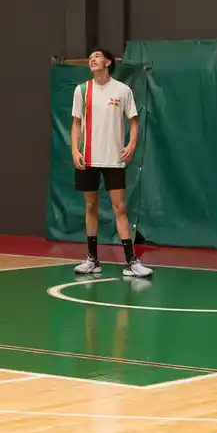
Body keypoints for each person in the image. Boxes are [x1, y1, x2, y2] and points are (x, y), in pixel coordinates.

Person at [71, 47, 151, 277]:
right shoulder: (82, 90)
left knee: (120, 208)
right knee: (90, 206)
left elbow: (134, 122)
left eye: (97, 56)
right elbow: (76, 123)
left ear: (107, 62)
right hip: (87, 158)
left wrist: (132, 145)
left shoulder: (123, 90)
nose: (92, 59)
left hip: (114, 159)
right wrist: (75, 150)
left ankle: (131, 262)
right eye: (90, 57)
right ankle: (92, 260)